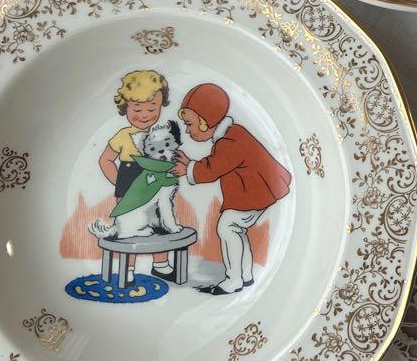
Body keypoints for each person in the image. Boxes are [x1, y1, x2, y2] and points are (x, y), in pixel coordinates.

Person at [169, 83, 292, 295]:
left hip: (255, 194)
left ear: (205, 122)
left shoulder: (230, 140)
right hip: (256, 193)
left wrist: (187, 168)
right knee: (235, 229)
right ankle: (246, 275)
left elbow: (212, 169)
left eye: (189, 124)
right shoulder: (231, 134)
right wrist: (191, 164)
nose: (187, 131)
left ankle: (233, 279)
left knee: (227, 228)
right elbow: (215, 163)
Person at [98, 69, 173, 281]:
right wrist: (119, 184)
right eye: (138, 109)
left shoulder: (161, 133)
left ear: (161, 105)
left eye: (152, 108)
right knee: (128, 228)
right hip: (129, 186)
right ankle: (128, 268)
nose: (145, 115)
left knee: (158, 224)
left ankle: (161, 263)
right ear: (125, 108)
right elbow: (105, 160)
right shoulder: (123, 136)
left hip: (155, 185)